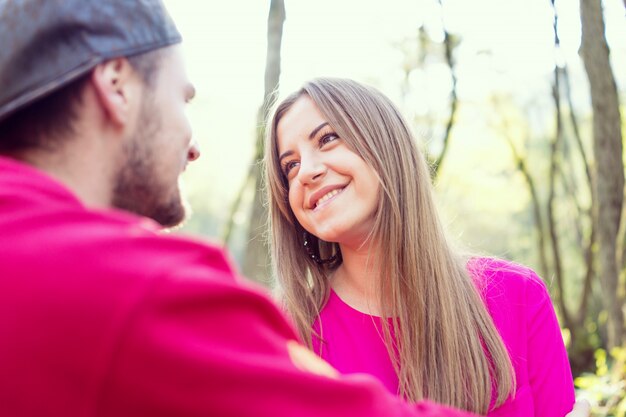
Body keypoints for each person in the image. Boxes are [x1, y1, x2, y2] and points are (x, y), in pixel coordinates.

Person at [1, 1, 551, 416]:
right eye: (182, 100)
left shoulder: (512, 295)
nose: (193, 146)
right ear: (116, 86)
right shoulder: (134, 289)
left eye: (330, 139)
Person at [264, 77, 577, 417]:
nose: (306, 172)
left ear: (386, 144)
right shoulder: (286, 334)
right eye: (290, 165)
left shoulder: (518, 295)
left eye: (327, 139)